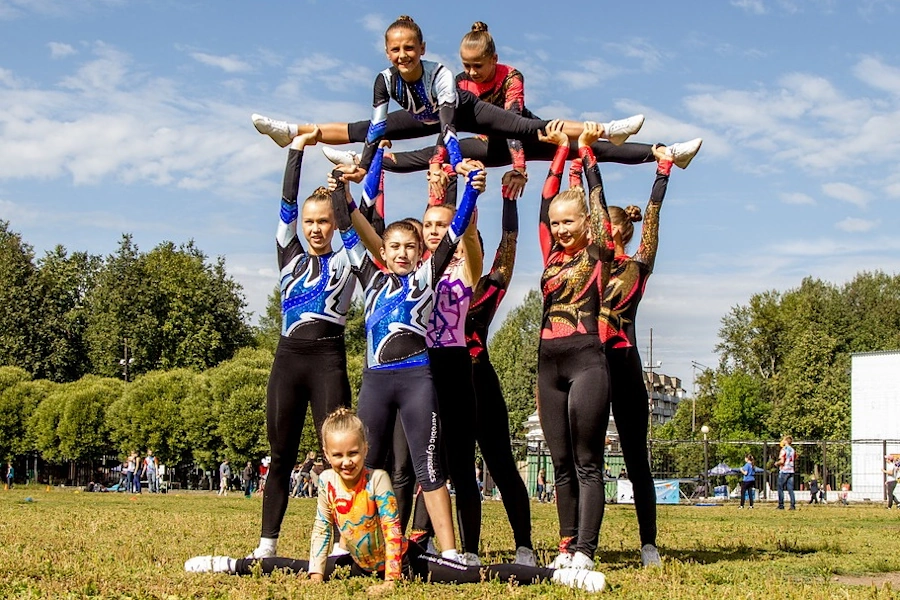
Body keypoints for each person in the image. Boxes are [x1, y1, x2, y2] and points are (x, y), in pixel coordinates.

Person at [184, 408, 606, 593]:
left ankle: (558, 577)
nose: (346, 462)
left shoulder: (379, 479)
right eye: (338, 455)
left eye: (353, 453)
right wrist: (316, 572)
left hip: (403, 559)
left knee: (473, 576)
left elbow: (391, 530)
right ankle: (226, 564)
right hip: (359, 562)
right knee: (294, 567)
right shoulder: (327, 482)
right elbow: (321, 529)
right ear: (326, 454)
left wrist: (391, 579)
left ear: (365, 450)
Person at [252, 16, 647, 201]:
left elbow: (450, 126)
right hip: (444, 122)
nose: (403, 55)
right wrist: (365, 162)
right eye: (395, 49)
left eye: (410, 48)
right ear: (386, 52)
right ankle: (296, 131)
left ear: (422, 49)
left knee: (534, 127)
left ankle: (608, 129)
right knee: (364, 129)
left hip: (469, 116)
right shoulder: (386, 79)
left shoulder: (450, 78)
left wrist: (454, 163)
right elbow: (374, 126)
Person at [327, 158, 487, 564]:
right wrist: (339, 188)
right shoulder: (370, 276)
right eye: (394, 247)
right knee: (364, 465)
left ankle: (449, 551)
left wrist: (471, 189)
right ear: (382, 251)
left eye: (410, 247)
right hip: (376, 382)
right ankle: (348, 545)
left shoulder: (427, 277)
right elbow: (346, 228)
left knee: (429, 468)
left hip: (417, 381)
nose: (402, 253)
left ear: (421, 253)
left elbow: (455, 232)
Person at [361, 21, 700, 201]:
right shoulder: (458, 82)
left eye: (478, 65)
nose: (472, 72)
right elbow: (446, 128)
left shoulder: (511, 77)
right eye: (467, 65)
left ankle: (665, 152)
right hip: (487, 144)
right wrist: (437, 163)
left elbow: (514, 125)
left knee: (587, 147)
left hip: (527, 134)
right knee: (430, 154)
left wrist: (519, 169)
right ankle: (366, 160)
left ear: (494, 59)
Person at [249, 128, 358, 559]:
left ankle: (343, 544)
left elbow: (362, 219)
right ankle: (267, 543)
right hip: (288, 360)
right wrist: (297, 149)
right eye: (310, 222)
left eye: (323, 221)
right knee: (281, 455)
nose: (315, 228)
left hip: (328, 360)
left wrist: (345, 186)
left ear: (334, 224)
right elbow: (287, 203)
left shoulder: (347, 259)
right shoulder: (288, 252)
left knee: (338, 458)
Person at [595, 140, 695, 567]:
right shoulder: (589, 265)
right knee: (587, 459)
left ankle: (648, 543)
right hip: (590, 365)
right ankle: (581, 543)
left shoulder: (637, 265)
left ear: (617, 230)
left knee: (637, 458)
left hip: (623, 360)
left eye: (603, 226)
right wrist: (586, 161)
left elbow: (652, 216)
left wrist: (662, 173)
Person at [535, 121, 613, 571]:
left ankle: (585, 549)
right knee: (560, 462)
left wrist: (587, 153)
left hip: (586, 360)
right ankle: (565, 547)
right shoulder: (551, 255)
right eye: (557, 223)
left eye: (569, 221)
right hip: (548, 366)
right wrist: (560, 151)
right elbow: (545, 200)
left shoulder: (597, 252)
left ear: (586, 222)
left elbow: (600, 208)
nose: (562, 229)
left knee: (587, 462)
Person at [776, 435, 796, 510]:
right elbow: (795, 458)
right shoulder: (793, 450)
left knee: (780, 487)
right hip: (791, 470)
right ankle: (792, 505)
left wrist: (776, 463)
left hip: (784, 470)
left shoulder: (784, 450)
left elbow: (782, 461)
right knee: (790, 489)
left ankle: (781, 505)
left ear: (786, 441)